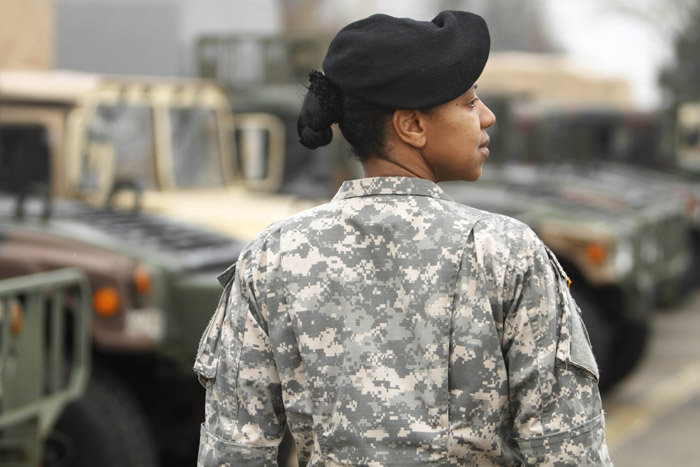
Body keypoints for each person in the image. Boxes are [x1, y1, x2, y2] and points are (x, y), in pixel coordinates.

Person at [194, 10, 612, 466]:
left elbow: (234, 453)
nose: (488, 117)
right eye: (469, 103)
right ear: (411, 126)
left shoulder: (271, 257)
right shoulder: (507, 252)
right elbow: (568, 452)